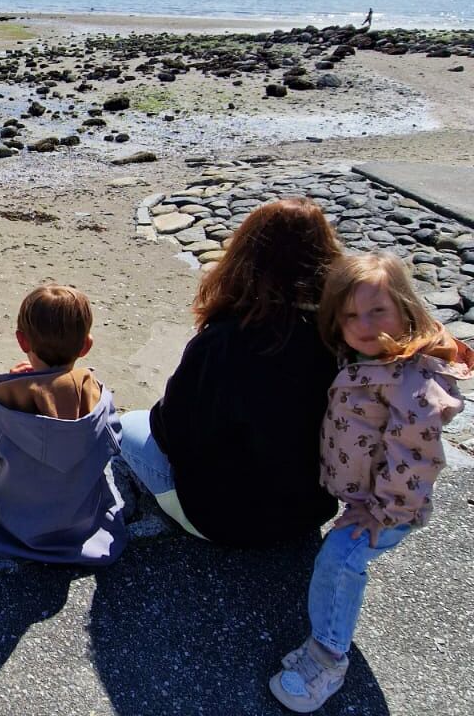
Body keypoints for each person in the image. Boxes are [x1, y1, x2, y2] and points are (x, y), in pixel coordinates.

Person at [269, 253, 473, 713]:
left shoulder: (413, 385)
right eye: (350, 316)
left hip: (390, 508)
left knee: (340, 561)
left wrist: (383, 513)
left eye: (377, 311)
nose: (363, 325)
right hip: (367, 495)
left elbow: (414, 459)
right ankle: (326, 639)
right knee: (337, 561)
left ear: (406, 310)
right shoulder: (366, 355)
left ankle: (327, 657)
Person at [118, 198, 342, 545]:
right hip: (309, 513)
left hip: (220, 520)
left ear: (244, 258)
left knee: (127, 426)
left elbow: (170, 431)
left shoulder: (224, 340)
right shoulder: (339, 337)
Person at [0, 284, 127, 565]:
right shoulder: (99, 400)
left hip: (14, 525)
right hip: (79, 523)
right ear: (86, 345)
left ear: (22, 341)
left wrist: (4, 389)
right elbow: (114, 440)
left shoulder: (6, 406)